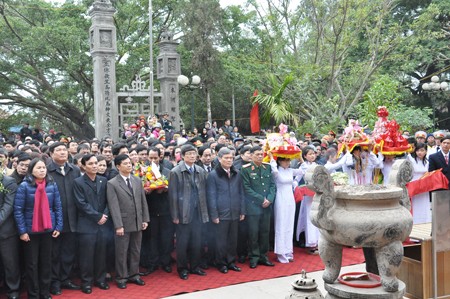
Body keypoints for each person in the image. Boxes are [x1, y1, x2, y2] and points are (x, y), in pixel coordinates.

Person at [14, 158, 63, 299]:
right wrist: (22, 231)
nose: (42, 170)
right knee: (32, 264)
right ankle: (33, 294)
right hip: (30, 232)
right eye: (38, 168)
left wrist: (58, 226)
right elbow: (18, 210)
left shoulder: (51, 185)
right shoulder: (24, 186)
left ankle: (45, 292)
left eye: (43, 167)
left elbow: (58, 207)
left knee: (46, 263)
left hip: (48, 230)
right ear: (32, 170)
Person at [107, 154, 149, 289]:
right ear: (118, 166)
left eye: (129, 163)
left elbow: (143, 201)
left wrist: (145, 219)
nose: (129, 165)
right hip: (123, 223)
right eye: (125, 163)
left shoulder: (137, 180)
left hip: (137, 220)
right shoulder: (112, 183)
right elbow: (114, 206)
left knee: (136, 250)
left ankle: (134, 274)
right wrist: (118, 225)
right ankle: (121, 277)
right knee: (122, 251)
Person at [169, 144, 209, 280]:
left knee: (197, 241)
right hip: (183, 212)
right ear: (183, 156)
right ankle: (182, 268)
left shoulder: (200, 170)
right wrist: (175, 215)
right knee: (182, 243)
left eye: (194, 154)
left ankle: (195, 266)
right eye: (189, 154)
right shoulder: (175, 172)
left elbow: (205, 192)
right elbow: (172, 196)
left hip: (198, 211)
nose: (192, 156)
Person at [46, 142, 81, 295]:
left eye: (64, 150)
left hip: (72, 217)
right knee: (54, 253)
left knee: (69, 251)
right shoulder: (46, 171)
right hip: (54, 219)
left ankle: (65, 278)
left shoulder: (75, 170)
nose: (62, 153)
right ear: (51, 154)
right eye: (58, 150)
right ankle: (54, 281)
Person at [73, 154, 110, 294]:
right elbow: (81, 203)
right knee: (86, 256)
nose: (94, 166)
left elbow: (108, 200)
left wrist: (104, 215)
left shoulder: (103, 180)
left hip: (103, 223)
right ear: (83, 166)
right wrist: (97, 216)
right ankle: (86, 282)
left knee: (101, 253)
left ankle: (100, 280)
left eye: (96, 163)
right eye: (91, 163)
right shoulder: (78, 182)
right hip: (86, 224)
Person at [207, 147, 245, 273]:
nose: (229, 160)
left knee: (233, 240)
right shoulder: (213, 175)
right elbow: (211, 196)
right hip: (221, 213)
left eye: (231, 158)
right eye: (226, 158)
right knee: (221, 240)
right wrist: (214, 214)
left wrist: (242, 210)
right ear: (219, 159)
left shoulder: (236, 173)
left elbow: (241, 193)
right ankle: (221, 263)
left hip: (234, 211)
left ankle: (231, 261)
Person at [240, 146, 276, 269]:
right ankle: (254, 257)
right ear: (251, 155)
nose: (260, 156)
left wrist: (270, 199)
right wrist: (261, 199)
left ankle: (263, 256)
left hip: (266, 206)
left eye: (261, 154)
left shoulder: (267, 167)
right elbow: (246, 188)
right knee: (253, 233)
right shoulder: (246, 169)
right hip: (253, 206)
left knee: (265, 232)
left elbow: (272, 185)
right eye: (257, 154)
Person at [141, 147, 174, 274]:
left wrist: (166, 189)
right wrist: (146, 191)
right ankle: (152, 263)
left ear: (160, 157)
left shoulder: (167, 171)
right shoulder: (144, 172)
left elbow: (173, 189)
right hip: (151, 210)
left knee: (166, 238)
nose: (153, 160)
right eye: (151, 158)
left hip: (165, 210)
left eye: (156, 157)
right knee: (152, 239)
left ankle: (165, 262)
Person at [269, 153, 302, 263]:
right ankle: (280, 252)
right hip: (280, 198)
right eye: (285, 160)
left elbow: (303, 171)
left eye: (288, 160)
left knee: (289, 224)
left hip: (290, 198)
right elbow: (273, 171)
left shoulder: (291, 171)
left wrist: (300, 158)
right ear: (279, 161)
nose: (287, 162)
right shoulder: (277, 171)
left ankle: (288, 251)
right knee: (281, 225)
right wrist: (271, 158)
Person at [0, 173, 21, 299]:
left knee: (10, 262)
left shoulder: (9, 182)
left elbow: (8, 206)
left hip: (6, 230)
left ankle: (13, 290)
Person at [406, 143, 431, 224]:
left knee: (424, 203)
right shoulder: (411, 159)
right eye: (418, 150)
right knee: (415, 203)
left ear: (426, 151)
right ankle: (415, 221)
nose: (420, 152)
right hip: (414, 184)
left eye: (422, 150)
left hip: (424, 186)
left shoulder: (427, 162)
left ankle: (425, 220)